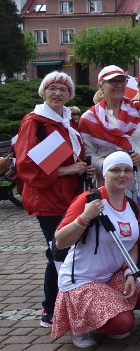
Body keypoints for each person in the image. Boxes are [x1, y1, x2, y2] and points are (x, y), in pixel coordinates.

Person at [50, 152, 140, 348]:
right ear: (104, 173)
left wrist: (130, 272)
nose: (122, 175)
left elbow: (133, 244)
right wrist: (84, 218)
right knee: (123, 324)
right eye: (115, 170)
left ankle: (107, 315)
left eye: (127, 170)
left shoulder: (133, 207)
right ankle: (82, 326)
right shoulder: (88, 199)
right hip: (83, 280)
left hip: (112, 275)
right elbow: (60, 241)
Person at [14, 72, 94, 329]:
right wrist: (68, 170)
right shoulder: (34, 122)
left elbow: (71, 158)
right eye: (53, 89)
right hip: (47, 198)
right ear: (44, 92)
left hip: (68, 196)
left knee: (68, 250)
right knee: (58, 251)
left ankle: (63, 305)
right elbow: (27, 165)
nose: (58, 93)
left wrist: (83, 168)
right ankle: (50, 309)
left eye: (63, 89)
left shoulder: (66, 123)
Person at [78, 65, 140, 220]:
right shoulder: (88, 118)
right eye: (113, 82)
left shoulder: (139, 109)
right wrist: (111, 165)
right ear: (101, 85)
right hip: (112, 181)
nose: (119, 85)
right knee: (120, 225)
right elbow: (89, 154)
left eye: (122, 81)